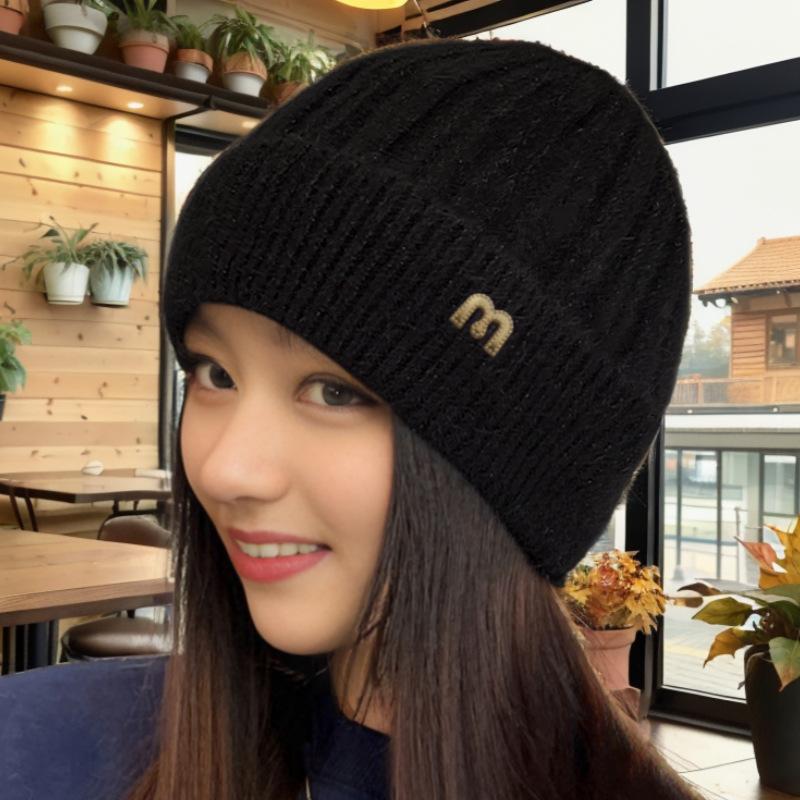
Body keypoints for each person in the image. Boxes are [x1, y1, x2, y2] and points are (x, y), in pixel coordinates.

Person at [0, 35, 702, 800]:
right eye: (214, 373)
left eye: (334, 391)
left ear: (525, 477)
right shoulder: (38, 750)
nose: (224, 468)